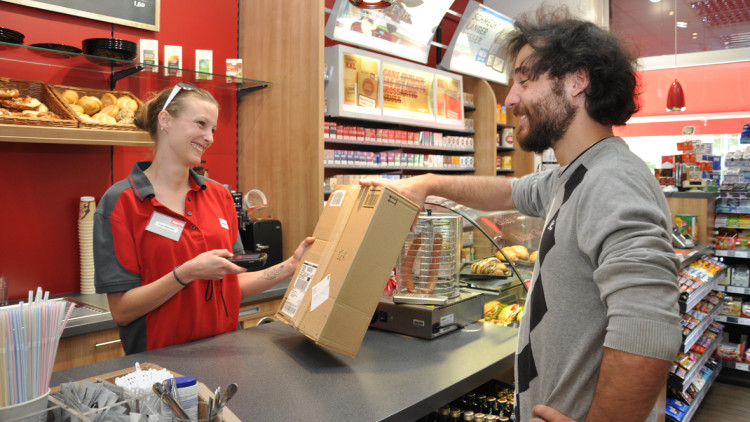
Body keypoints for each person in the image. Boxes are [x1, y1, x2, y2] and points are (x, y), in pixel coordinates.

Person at [362, 7, 681, 422]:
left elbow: (650, 327)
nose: (511, 97)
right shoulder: (574, 175)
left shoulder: (611, 180)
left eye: (525, 80)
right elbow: (509, 190)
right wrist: (428, 183)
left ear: (576, 81)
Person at [94, 82, 314, 355]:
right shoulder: (121, 202)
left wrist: (292, 265)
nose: (209, 137)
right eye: (200, 124)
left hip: (224, 358)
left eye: (213, 129)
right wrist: (186, 273)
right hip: (158, 370)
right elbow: (122, 311)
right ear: (165, 120)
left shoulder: (220, 196)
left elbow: (233, 285)